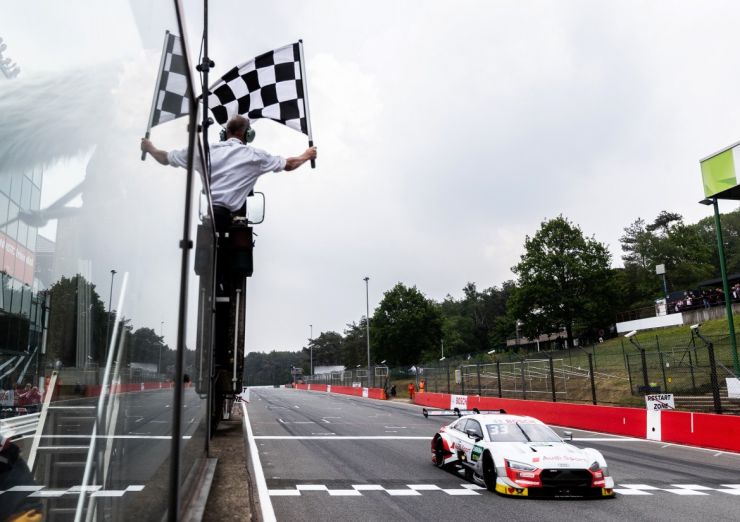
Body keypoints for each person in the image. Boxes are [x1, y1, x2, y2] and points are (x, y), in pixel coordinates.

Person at [140, 115, 317, 234]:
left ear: (225, 133)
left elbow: (166, 158)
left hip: (209, 219)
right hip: (230, 219)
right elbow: (289, 164)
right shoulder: (255, 156)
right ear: (248, 134)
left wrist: (150, 148)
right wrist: (307, 155)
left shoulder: (204, 151)